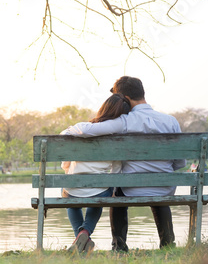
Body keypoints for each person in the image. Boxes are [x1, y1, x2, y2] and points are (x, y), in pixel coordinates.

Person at [63, 76, 186, 251]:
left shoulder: (123, 122)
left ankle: (119, 246)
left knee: (117, 192)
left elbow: (89, 129)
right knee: (159, 192)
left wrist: (69, 130)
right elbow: (180, 162)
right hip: (164, 186)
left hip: (130, 189)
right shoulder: (171, 121)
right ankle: (167, 244)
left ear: (124, 98)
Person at [60, 93, 131, 253]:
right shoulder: (118, 139)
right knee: (98, 196)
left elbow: (65, 163)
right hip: (98, 191)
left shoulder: (82, 130)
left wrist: (68, 169)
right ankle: (84, 232)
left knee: (67, 194)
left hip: (72, 189)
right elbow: (116, 171)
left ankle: (81, 237)